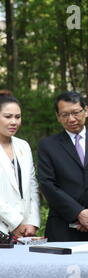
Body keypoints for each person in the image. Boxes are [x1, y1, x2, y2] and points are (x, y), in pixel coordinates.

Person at [38, 91, 88, 241]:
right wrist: (78, 213)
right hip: (62, 228)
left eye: (76, 113)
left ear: (86, 111)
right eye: (65, 115)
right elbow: (47, 184)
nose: (71, 119)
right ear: (58, 117)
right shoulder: (48, 146)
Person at [0, 90, 40, 238]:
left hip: (24, 231)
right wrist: (15, 223)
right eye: (8, 117)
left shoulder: (23, 146)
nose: (14, 122)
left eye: (18, 117)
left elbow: (32, 185)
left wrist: (32, 222)